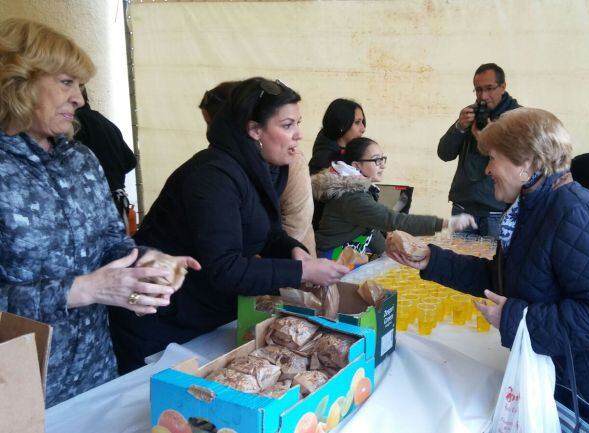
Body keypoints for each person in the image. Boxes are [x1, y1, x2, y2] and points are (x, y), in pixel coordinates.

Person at [392, 108, 589, 432]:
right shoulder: (531, 209)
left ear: (527, 163)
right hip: (567, 383)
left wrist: (515, 318)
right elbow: (501, 279)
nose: (488, 169)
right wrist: (430, 259)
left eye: (493, 158)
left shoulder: (581, 215)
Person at [0, 18, 199, 406]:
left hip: (93, 371)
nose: (79, 98)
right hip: (15, 385)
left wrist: (146, 264)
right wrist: (82, 290)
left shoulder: (81, 159)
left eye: (80, 85)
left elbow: (110, 241)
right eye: (66, 82)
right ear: (17, 81)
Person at [109, 77, 349, 374]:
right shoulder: (213, 177)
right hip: (160, 322)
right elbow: (225, 268)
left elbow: (267, 231)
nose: (299, 135)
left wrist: (293, 250)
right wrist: (302, 271)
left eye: (297, 123)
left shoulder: (257, 169)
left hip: (203, 317)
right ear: (254, 130)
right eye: (287, 125)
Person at [200, 81, 316, 255]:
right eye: (287, 125)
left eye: (213, 123)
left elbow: (296, 219)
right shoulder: (218, 167)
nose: (299, 135)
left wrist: (285, 255)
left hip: (286, 263)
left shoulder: (289, 159)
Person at [312, 137, 476, 259]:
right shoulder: (352, 197)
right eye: (376, 160)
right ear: (356, 166)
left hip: (342, 257)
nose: (382, 165)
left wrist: (385, 252)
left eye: (382, 159)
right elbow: (393, 221)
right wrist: (446, 223)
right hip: (330, 259)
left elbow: (369, 227)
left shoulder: (356, 189)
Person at [437, 63, 521, 237]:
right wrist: (459, 127)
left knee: (493, 264)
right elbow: (444, 154)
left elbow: (519, 162)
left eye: (490, 88)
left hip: (497, 211)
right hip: (463, 208)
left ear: (503, 87)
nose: (484, 96)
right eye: (478, 90)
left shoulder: (517, 118)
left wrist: (487, 138)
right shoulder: (471, 115)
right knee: (458, 263)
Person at [75, 87, 137, 220]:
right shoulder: (106, 122)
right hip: (118, 200)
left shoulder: (76, 124)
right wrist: (114, 177)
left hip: (94, 203)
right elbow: (131, 160)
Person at [308, 98, 366, 175]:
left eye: (362, 122)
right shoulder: (323, 162)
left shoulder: (351, 151)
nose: (363, 128)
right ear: (341, 124)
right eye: (357, 122)